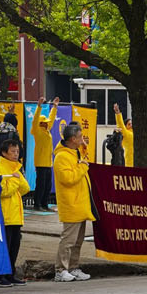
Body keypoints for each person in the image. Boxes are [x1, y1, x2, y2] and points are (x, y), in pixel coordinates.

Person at [52, 122, 94, 282]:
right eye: (80, 137)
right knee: (68, 240)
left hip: (80, 203)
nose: (82, 139)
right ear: (72, 139)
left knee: (77, 241)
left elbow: (83, 162)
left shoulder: (74, 152)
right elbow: (68, 179)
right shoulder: (61, 157)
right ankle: (60, 270)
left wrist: (83, 152)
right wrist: (82, 168)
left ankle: (73, 267)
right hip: (71, 204)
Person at [0, 138, 30, 287]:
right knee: (4, 248)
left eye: (17, 151)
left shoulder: (16, 168)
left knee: (14, 247)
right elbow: (3, 191)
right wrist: (15, 180)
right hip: (5, 216)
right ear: (4, 153)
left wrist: (17, 178)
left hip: (16, 216)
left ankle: (10, 274)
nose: (16, 154)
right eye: (13, 151)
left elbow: (25, 189)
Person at [30, 98, 57, 211]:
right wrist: (39, 106)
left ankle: (45, 204)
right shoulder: (36, 130)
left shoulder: (47, 130)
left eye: (46, 123)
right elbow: (35, 120)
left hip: (48, 162)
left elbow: (51, 119)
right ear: (40, 123)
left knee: (47, 185)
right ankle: (37, 204)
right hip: (40, 162)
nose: (46, 124)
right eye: (44, 122)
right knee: (40, 185)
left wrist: (54, 107)